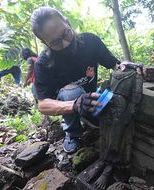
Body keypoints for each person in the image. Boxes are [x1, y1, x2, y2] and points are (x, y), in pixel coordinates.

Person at [30, 6, 123, 153]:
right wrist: (75, 105)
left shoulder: (90, 41)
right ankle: (73, 133)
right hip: (69, 101)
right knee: (71, 91)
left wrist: (129, 67)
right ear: (45, 42)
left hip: (92, 97)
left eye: (66, 33)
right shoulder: (44, 63)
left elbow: (115, 64)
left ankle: (91, 119)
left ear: (68, 22)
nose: (65, 43)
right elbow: (42, 105)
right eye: (56, 42)